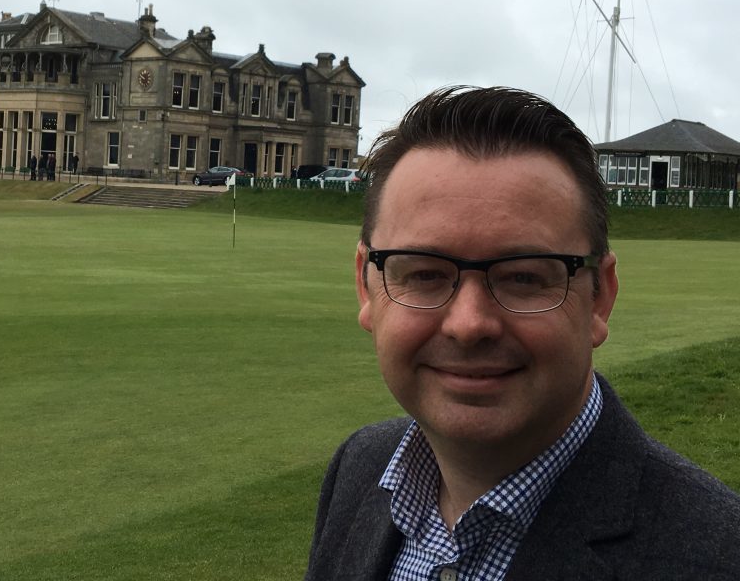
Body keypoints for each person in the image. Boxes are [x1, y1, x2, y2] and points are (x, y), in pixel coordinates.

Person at [305, 86, 740, 580]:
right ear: (367, 285)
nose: (469, 325)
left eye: (525, 277)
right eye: (424, 274)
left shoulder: (718, 556)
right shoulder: (358, 468)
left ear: (600, 297)